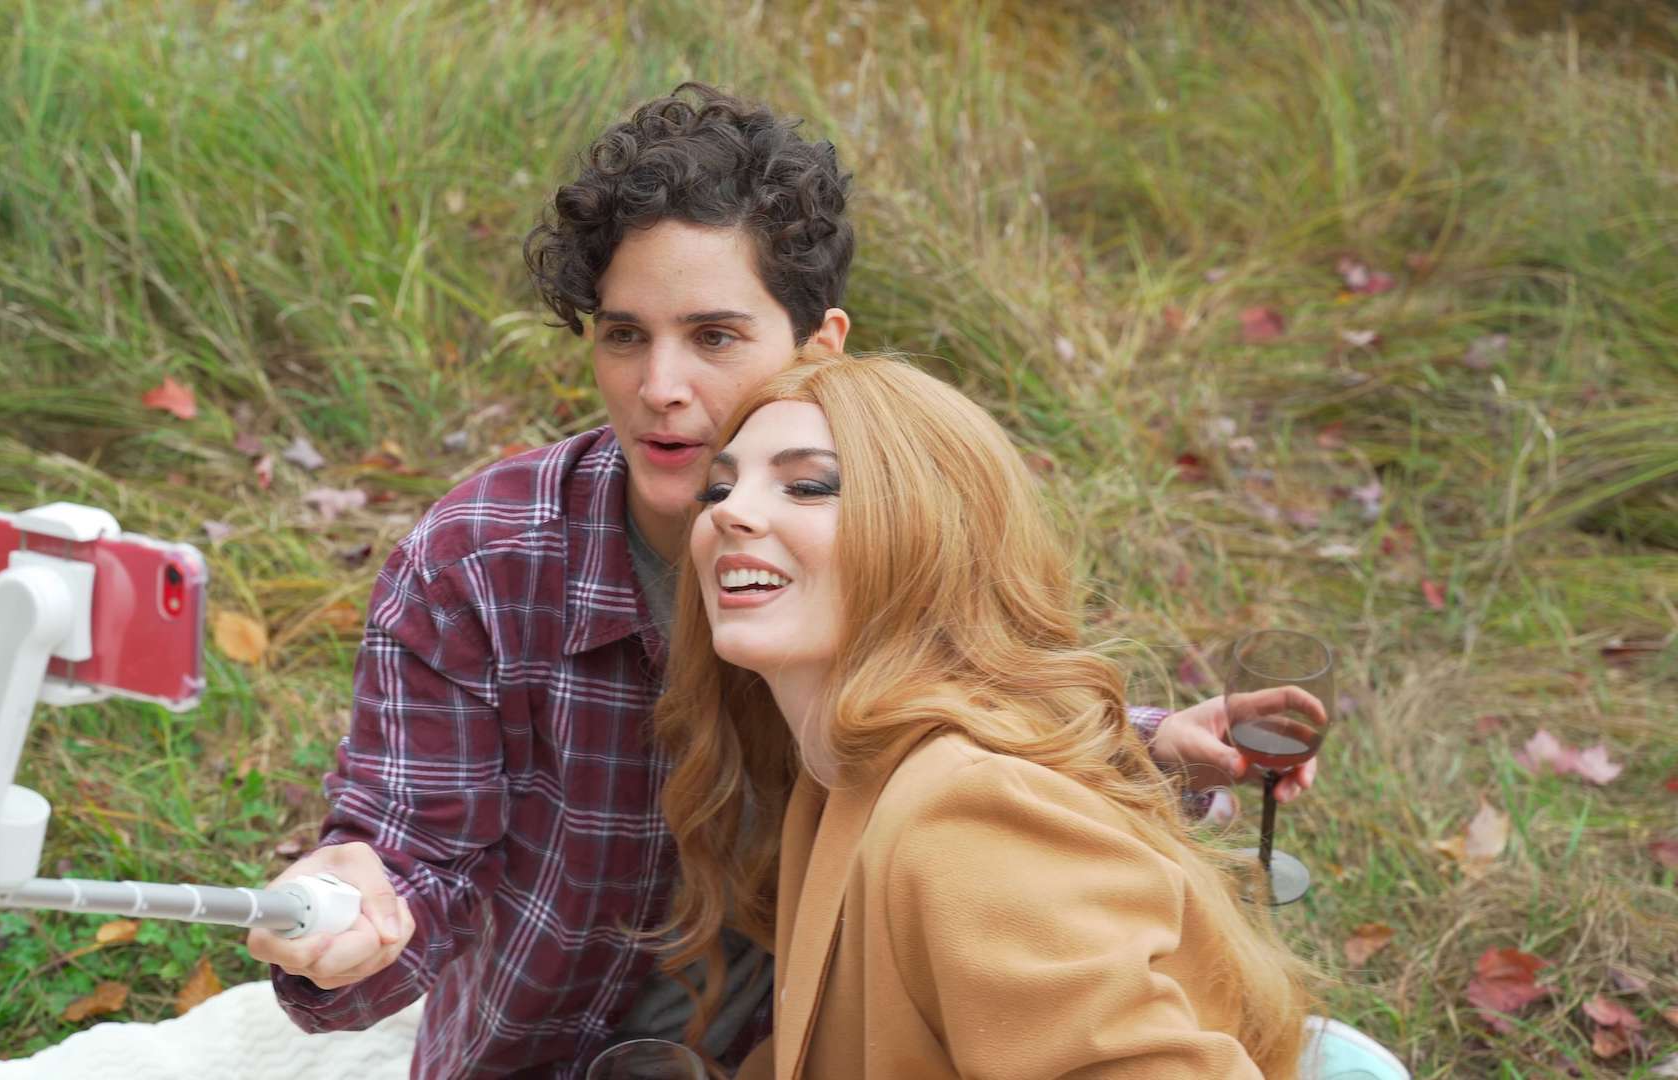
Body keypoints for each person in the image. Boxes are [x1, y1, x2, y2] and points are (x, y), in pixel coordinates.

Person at [246, 84, 1315, 1077]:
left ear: (820, 343)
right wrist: (339, 908)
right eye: (625, 337)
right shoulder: (478, 560)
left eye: (714, 336)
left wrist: (1151, 745)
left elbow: (942, 716)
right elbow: (410, 864)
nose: (661, 388)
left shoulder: (884, 529)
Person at [652, 352, 1318, 1078]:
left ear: (931, 535)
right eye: (717, 488)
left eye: (807, 485)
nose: (730, 511)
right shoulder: (837, 769)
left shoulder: (968, 811)